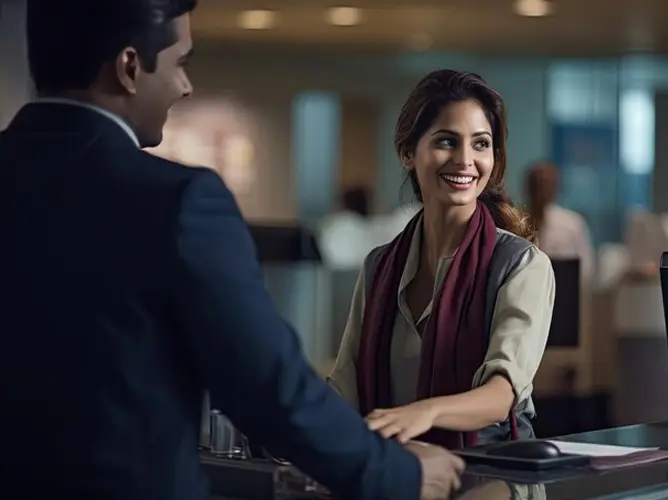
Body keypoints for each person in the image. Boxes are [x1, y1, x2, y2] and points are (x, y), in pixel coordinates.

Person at [0, 1, 464, 499]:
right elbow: (268, 387)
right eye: (181, 63)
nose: (185, 86)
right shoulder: (178, 201)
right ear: (130, 67)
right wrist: (398, 473)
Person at [328, 70, 556, 449]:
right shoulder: (379, 267)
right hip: (398, 473)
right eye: (447, 141)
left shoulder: (522, 265)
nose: (465, 160)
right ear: (407, 153)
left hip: (493, 474)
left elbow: (502, 394)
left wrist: (426, 413)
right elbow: (345, 386)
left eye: (481, 144)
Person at [525, 161, 595, 281]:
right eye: (537, 184)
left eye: (546, 184)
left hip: (563, 290)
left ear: (557, 187)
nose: (541, 190)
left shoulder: (572, 223)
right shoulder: (514, 222)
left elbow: (586, 267)